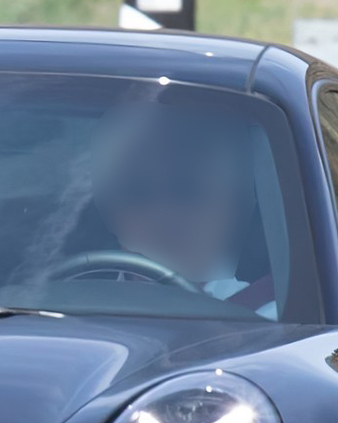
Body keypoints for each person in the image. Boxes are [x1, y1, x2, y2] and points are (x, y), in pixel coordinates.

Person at [92, 118, 276, 318]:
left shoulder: (273, 323)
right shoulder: (66, 317)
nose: (162, 217)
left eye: (187, 191)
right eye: (139, 194)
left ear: (230, 211)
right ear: (112, 215)